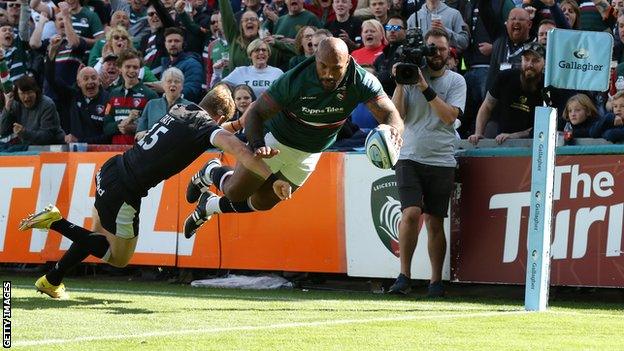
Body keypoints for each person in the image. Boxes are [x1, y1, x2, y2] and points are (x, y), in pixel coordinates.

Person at [18, 84, 292, 300]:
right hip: (126, 189)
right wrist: (272, 177)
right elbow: (240, 150)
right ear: (219, 116)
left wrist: (239, 124)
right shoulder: (205, 127)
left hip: (111, 169)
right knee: (118, 257)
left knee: (95, 236)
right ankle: (56, 221)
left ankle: (52, 280)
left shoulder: (182, 108)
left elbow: (211, 130)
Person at [182, 37, 404, 238]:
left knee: (263, 202)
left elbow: (390, 113)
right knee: (235, 191)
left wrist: (394, 131)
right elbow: (256, 113)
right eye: (323, 66)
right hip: (277, 140)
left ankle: (209, 206)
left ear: (348, 63)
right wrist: (258, 145)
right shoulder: (295, 79)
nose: (327, 74)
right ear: (315, 59)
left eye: (335, 68)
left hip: (311, 152)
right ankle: (210, 171)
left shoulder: (361, 80)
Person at [387, 28, 466, 297]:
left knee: (434, 220)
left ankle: (435, 281)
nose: (436, 53)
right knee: (410, 213)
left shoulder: (456, 81)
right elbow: (397, 116)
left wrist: (424, 86)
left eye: (441, 49)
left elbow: (448, 117)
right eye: (432, 48)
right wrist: (400, 81)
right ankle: (403, 275)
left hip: (441, 158)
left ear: (449, 52)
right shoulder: (408, 78)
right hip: (408, 155)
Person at [468, 42, 545, 145]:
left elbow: (543, 125)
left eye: (535, 61)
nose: (530, 65)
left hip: (534, 143)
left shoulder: (547, 86)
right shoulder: (505, 77)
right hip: (500, 139)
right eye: (526, 60)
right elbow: (487, 106)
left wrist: (514, 136)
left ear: (544, 63)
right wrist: (478, 133)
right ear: (521, 60)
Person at [0, 76, 65, 145]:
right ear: (17, 94)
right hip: (29, 148)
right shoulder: (16, 104)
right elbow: (3, 131)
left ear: (36, 92)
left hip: (53, 147)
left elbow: (47, 136)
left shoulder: (47, 104)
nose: (26, 97)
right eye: (22, 93)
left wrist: (25, 133)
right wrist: (7, 108)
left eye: (29, 92)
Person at [135, 67, 192, 140]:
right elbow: (138, 134)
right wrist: (148, 134)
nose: (173, 84)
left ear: (182, 86)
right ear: (162, 85)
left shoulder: (190, 107)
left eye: (177, 81)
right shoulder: (151, 105)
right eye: (169, 81)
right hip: (154, 149)